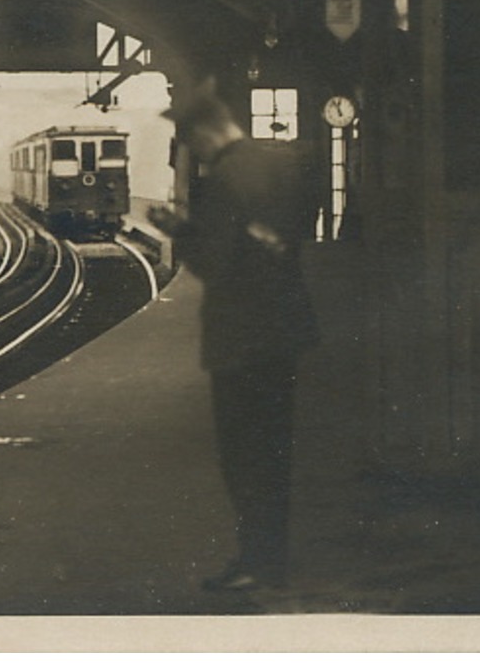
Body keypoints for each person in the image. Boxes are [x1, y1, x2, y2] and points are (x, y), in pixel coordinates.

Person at [147, 78, 320, 593]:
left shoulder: (221, 181)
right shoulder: (278, 166)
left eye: (190, 141)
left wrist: (180, 232)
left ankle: (257, 563)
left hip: (239, 337)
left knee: (245, 457)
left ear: (204, 132)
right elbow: (284, 236)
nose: (192, 151)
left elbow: (213, 265)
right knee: (274, 450)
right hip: (284, 329)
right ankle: (272, 559)